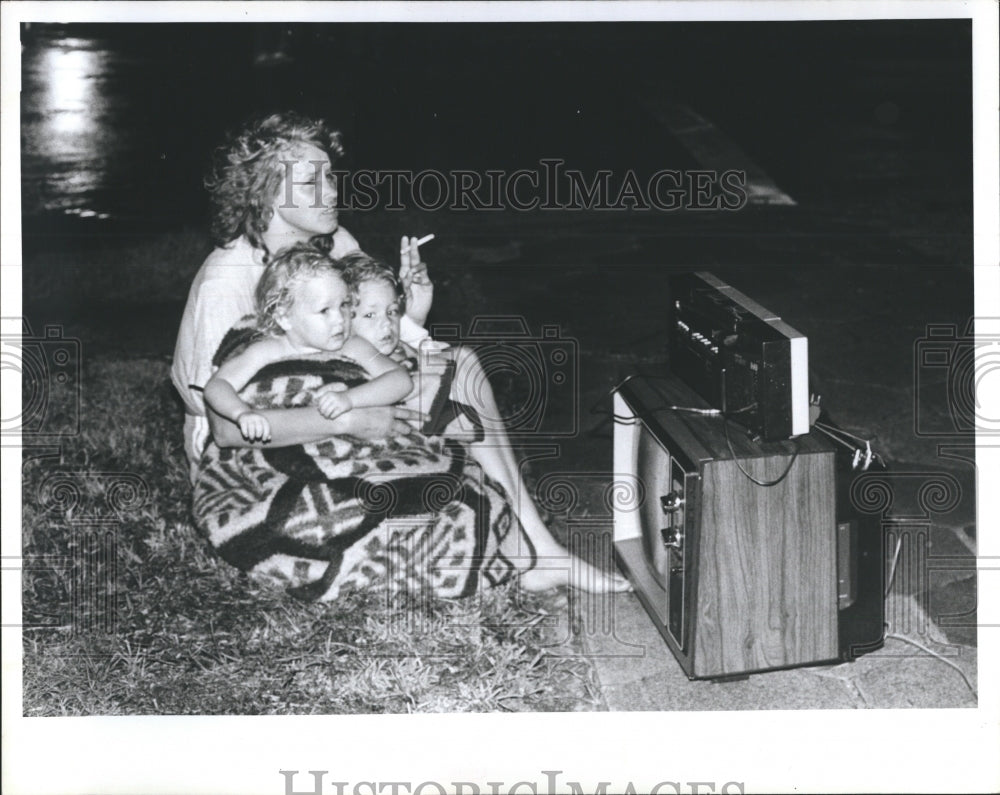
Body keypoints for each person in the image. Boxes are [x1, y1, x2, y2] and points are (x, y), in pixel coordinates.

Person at [173, 110, 629, 594]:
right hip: (256, 449)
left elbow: (367, 339)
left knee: (460, 368)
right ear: (263, 194)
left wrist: (411, 311)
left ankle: (539, 550)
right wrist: (347, 420)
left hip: (336, 396)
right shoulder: (227, 279)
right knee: (433, 407)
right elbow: (225, 430)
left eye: (331, 176)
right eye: (310, 182)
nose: (331, 192)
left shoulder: (335, 243)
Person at [203, 246, 413, 444]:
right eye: (325, 310)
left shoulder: (353, 345)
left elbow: (400, 379)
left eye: (344, 305)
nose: (340, 319)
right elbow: (218, 384)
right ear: (284, 317)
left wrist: (349, 399)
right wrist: (241, 413)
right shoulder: (267, 350)